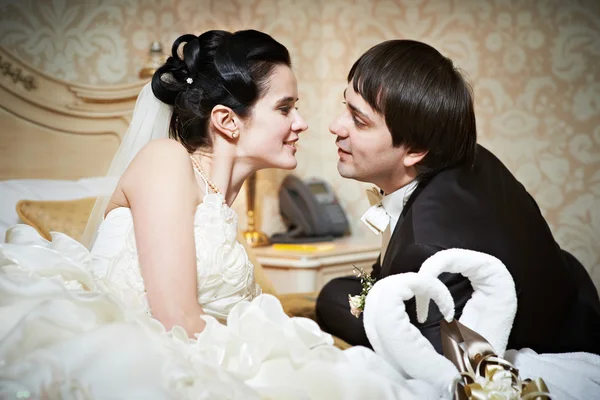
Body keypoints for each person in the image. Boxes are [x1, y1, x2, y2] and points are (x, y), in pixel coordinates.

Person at [0, 30, 417, 399]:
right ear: (227, 121)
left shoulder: (218, 204)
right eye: (285, 108)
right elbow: (175, 319)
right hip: (140, 357)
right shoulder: (165, 160)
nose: (303, 123)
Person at [316, 39, 600, 356]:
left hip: (563, 347)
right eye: (346, 106)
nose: (335, 126)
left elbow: (430, 354)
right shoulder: (472, 158)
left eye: (359, 120)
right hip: (581, 304)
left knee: (331, 299)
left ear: (414, 150)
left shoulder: (430, 247)